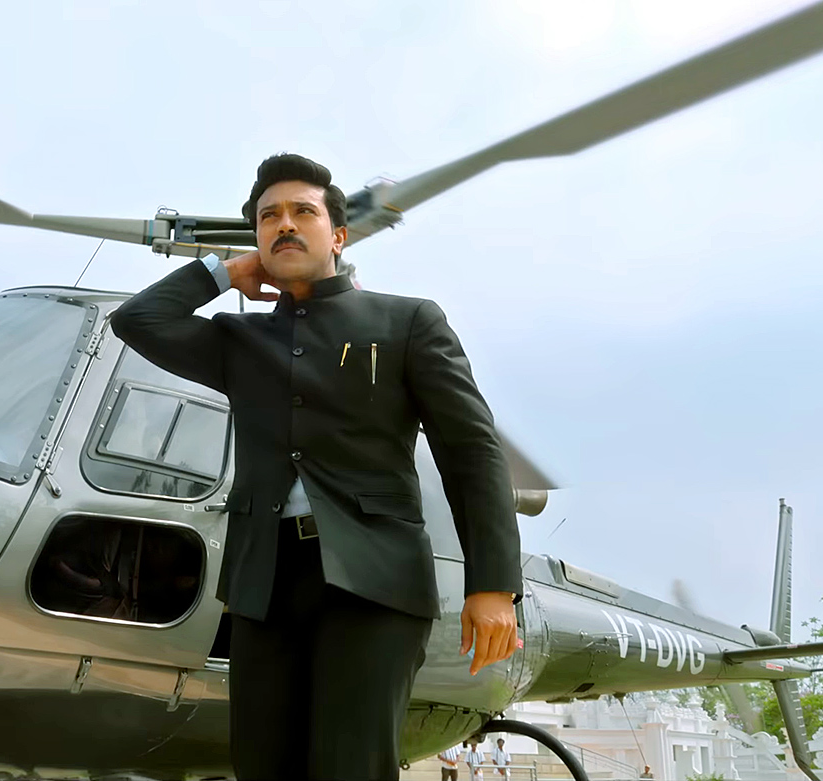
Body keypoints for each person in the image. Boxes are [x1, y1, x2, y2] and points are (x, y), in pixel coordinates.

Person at [112, 153, 522, 780]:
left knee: (348, 766)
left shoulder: (408, 322)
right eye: (269, 217)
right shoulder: (239, 340)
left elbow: (472, 451)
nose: (285, 224)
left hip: (375, 579)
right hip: (263, 582)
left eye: (303, 212)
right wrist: (224, 271)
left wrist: (491, 584)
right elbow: (137, 320)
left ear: (339, 236)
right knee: (262, 765)